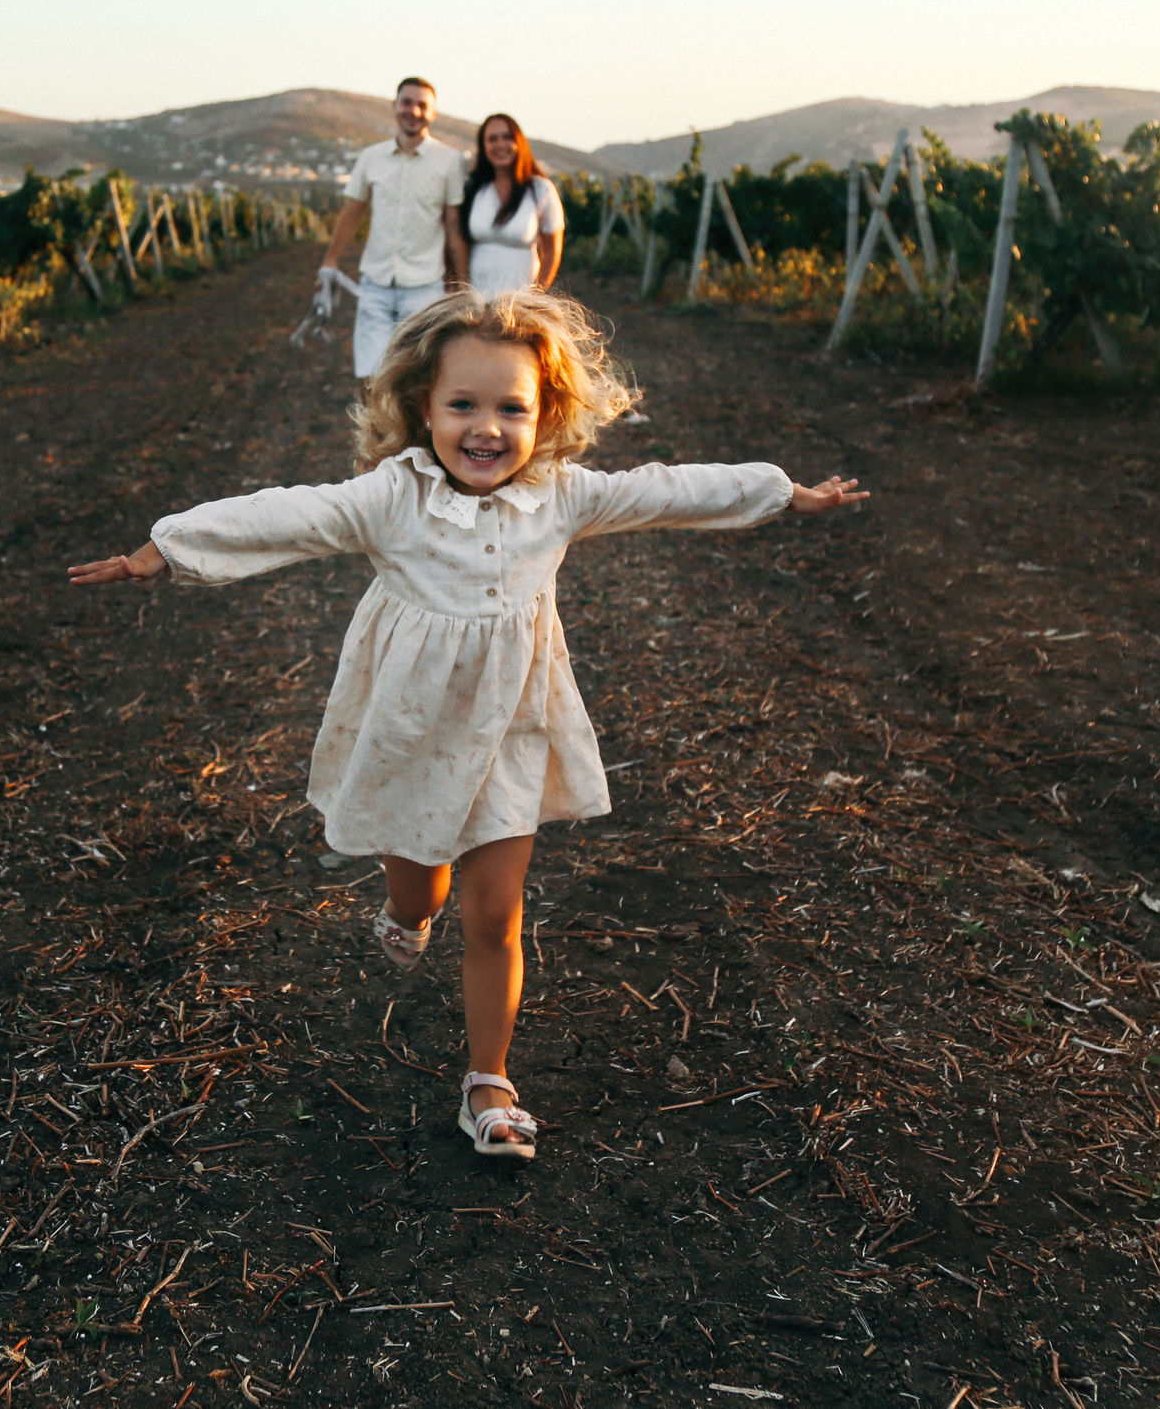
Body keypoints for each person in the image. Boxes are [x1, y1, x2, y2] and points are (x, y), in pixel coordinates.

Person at [69, 290, 868, 1158]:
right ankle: (405, 911)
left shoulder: (560, 498)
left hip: (510, 733)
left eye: (511, 408)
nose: (486, 428)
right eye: (463, 405)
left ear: (546, 414)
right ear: (423, 407)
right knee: (423, 890)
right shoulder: (390, 497)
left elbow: (666, 489)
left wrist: (784, 491)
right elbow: (286, 512)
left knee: (496, 916)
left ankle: (488, 1080)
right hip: (412, 731)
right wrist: (168, 545)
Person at [318, 77, 469, 379]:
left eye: (422, 105)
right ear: (395, 106)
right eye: (407, 102)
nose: (413, 111)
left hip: (424, 285)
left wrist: (462, 287)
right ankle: (373, 429)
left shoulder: (450, 161)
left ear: (433, 114)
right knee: (369, 375)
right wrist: (330, 260)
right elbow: (351, 214)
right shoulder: (371, 158)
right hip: (375, 282)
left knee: (416, 376)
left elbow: (453, 227)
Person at [454, 113, 565, 296]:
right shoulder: (471, 187)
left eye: (507, 137)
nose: (500, 145)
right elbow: (458, 240)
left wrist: (536, 296)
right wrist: (463, 290)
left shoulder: (540, 189)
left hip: (521, 301)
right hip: (476, 301)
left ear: (519, 142)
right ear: (483, 146)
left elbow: (552, 251)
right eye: (492, 139)